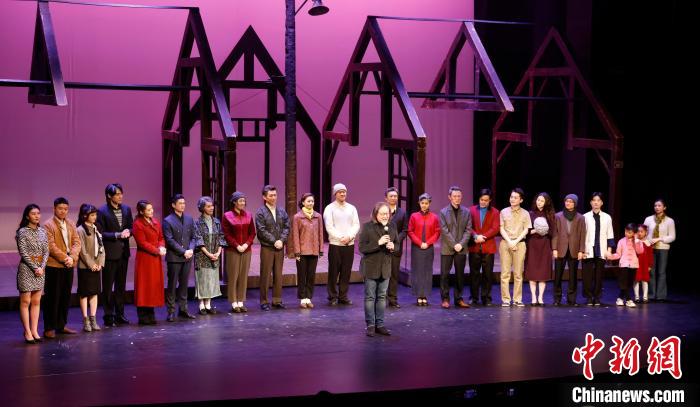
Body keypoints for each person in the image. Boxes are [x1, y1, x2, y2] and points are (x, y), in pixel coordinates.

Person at [42, 197, 81, 338]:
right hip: (54, 266)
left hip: (68, 265)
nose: (63, 211)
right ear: (54, 209)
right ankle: (49, 327)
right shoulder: (48, 225)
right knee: (52, 297)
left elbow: (77, 242)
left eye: (65, 209)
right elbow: (51, 246)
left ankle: (61, 325)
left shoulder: (71, 223)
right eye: (60, 208)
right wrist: (66, 258)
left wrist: (73, 257)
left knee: (65, 296)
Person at [96, 183, 133, 327]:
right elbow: (100, 233)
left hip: (123, 253)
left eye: (121, 193)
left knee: (120, 286)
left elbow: (131, 227)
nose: (120, 196)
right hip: (110, 253)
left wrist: (129, 232)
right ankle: (108, 315)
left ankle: (120, 314)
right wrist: (117, 235)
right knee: (107, 286)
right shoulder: (102, 211)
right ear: (109, 195)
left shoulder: (126, 209)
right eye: (117, 194)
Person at [359, 202, 398, 337]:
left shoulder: (392, 227)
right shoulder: (367, 227)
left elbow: (397, 244)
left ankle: (380, 324)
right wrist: (378, 243)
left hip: (385, 267)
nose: (385, 216)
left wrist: (393, 246)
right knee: (370, 297)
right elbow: (362, 248)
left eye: (387, 213)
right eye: (382, 214)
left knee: (381, 297)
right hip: (371, 267)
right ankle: (370, 325)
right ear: (376, 214)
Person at [163, 194, 198, 321]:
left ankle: (183, 309)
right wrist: (184, 251)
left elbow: (194, 237)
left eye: (184, 203)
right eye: (180, 203)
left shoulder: (189, 218)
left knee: (184, 284)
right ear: (173, 205)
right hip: (174, 257)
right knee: (172, 285)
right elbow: (169, 240)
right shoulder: (168, 220)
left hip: (187, 256)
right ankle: (171, 311)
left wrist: (191, 249)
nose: (183, 205)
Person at [323, 183, 360, 306]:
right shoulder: (329, 208)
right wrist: (341, 237)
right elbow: (329, 226)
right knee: (333, 272)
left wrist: (349, 236)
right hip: (335, 245)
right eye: (340, 192)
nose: (343, 194)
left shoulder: (352, 208)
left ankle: (343, 296)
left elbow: (356, 225)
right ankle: (332, 296)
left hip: (349, 244)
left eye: (344, 191)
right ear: (335, 194)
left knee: (346, 271)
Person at [16, 204, 48, 344]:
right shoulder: (22, 232)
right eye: (33, 213)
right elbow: (23, 252)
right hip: (27, 269)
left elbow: (46, 251)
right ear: (27, 216)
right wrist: (35, 267)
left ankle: (34, 330)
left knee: (36, 301)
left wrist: (42, 267)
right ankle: (27, 331)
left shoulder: (42, 231)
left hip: (40, 269)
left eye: (38, 213)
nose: (36, 216)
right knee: (25, 301)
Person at [255, 185, 290, 311]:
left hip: (279, 246)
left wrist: (281, 240)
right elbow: (261, 230)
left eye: (275, 195)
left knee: (278, 274)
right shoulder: (260, 212)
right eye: (271, 195)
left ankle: (277, 300)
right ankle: (264, 301)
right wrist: (274, 241)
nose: (274, 197)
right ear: (264, 197)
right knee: (265, 274)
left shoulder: (281, 211)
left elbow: (287, 226)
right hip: (267, 247)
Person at [132, 200, 166, 325]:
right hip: (145, 259)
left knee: (153, 285)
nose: (152, 211)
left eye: (152, 209)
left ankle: (151, 313)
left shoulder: (155, 222)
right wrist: (157, 250)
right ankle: (142, 315)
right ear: (141, 212)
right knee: (144, 286)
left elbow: (161, 238)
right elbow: (142, 243)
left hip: (155, 259)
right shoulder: (138, 224)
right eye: (148, 210)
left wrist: (161, 246)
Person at [438, 186, 473, 309]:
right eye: (454, 196)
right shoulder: (443, 212)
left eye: (459, 196)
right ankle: (445, 299)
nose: (457, 198)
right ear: (450, 197)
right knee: (445, 275)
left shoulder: (466, 212)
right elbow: (444, 231)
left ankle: (458, 298)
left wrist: (461, 244)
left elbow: (468, 230)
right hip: (447, 248)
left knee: (460, 275)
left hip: (461, 248)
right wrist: (454, 244)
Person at [289, 193, 324, 309]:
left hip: (314, 250)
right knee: (302, 275)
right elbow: (295, 235)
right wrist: (297, 252)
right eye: (308, 201)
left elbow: (320, 233)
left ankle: (309, 298)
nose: (311, 203)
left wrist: (321, 249)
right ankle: (303, 299)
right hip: (302, 251)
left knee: (311, 275)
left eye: (312, 201)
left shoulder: (318, 216)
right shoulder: (297, 217)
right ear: (303, 202)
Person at [222, 192, 255, 313]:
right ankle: (233, 301)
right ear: (234, 202)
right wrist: (236, 245)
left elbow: (252, 233)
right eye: (240, 201)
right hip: (233, 250)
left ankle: (241, 301)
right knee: (233, 276)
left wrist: (246, 244)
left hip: (246, 250)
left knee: (243, 276)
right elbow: (226, 234)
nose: (242, 203)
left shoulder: (249, 215)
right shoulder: (227, 216)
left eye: (244, 201)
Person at [194, 196, 227, 315]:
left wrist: (218, 252)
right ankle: (201, 305)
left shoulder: (216, 222)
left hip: (214, 254)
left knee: (211, 279)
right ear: (202, 208)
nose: (211, 208)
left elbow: (221, 237)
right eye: (208, 206)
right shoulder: (197, 222)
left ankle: (208, 304)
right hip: (202, 256)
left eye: (212, 205)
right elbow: (198, 239)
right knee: (202, 279)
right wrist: (208, 254)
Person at [552, 194, 586, 306]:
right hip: (560, 248)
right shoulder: (558, 216)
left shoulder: (580, 218)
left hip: (574, 249)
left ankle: (571, 300)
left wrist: (581, 250)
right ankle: (557, 299)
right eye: (567, 201)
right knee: (558, 276)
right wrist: (554, 248)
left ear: (575, 203)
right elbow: (555, 233)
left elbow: (582, 235)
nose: (568, 203)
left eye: (571, 201)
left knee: (573, 277)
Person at [499, 188, 531, 307]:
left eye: (515, 197)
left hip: (520, 244)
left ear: (521, 200)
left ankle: (517, 299)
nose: (512, 199)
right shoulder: (503, 212)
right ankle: (506, 299)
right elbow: (501, 228)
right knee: (505, 273)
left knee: (518, 274)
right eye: (511, 197)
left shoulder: (525, 213)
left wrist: (516, 241)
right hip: (506, 243)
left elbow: (526, 230)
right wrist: (509, 242)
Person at [467, 188, 500, 306]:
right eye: (481, 199)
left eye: (486, 200)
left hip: (488, 247)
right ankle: (474, 297)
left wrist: (483, 237)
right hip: (474, 246)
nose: (483, 202)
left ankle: (486, 297)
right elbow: (468, 226)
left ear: (490, 200)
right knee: (474, 274)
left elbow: (495, 228)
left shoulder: (495, 212)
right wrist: (475, 236)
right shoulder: (471, 210)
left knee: (487, 274)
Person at [76, 204, 105, 332]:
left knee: (94, 292)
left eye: (95, 215)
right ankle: (85, 319)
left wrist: (100, 263)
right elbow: (82, 251)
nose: (95, 217)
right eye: (92, 215)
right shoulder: (80, 230)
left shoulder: (96, 228)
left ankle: (93, 318)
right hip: (85, 267)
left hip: (96, 266)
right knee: (84, 293)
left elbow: (101, 247)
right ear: (84, 216)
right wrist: (91, 264)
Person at [407, 193, 440, 306]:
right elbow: (410, 231)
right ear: (419, 203)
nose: (424, 205)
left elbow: (437, 232)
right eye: (422, 203)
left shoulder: (434, 217)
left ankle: (424, 295)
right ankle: (418, 295)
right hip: (417, 247)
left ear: (429, 203)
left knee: (427, 270)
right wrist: (420, 243)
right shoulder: (414, 216)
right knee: (418, 270)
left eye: (426, 203)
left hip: (428, 247)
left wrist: (428, 243)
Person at [582, 192, 615, 306]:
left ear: (602, 203)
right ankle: (588, 297)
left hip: (601, 249)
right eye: (594, 200)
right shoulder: (585, 217)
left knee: (599, 276)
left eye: (598, 200)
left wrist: (609, 250)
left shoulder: (607, 217)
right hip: (588, 249)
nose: (596, 202)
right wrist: (582, 250)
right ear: (591, 202)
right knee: (587, 276)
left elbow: (610, 234)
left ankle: (597, 297)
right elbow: (582, 235)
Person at [524, 192, 555, 306]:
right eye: (538, 200)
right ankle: (533, 297)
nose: (539, 202)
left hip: (545, 245)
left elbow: (552, 231)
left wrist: (544, 229)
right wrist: (535, 230)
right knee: (532, 272)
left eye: (542, 201)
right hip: (532, 244)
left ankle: (540, 297)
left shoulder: (550, 215)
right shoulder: (530, 214)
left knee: (542, 273)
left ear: (546, 202)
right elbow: (526, 231)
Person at [643, 199, 676, 302]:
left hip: (663, 248)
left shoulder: (670, 221)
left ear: (664, 207)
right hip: (650, 248)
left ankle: (661, 296)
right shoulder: (648, 219)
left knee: (661, 272)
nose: (657, 207)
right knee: (651, 271)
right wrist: (646, 242)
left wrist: (659, 239)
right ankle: (651, 294)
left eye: (659, 205)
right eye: (655, 205)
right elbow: (643, 233)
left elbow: (672, 236)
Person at [607, 223, 644, 308]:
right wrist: (611, 256)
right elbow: (618, 254)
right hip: (624, 264)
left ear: (634, 233)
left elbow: (640, 251)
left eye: (629, 232)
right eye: (626, 231)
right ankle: (628, 300)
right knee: (624, 283)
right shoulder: (621, 241)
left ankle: (620, 298)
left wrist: (637, 241)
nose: (627, 233)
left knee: (629, 283)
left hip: (634, 264)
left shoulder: (638, 241)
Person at [385, 187, 408, 308]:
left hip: (396, 248)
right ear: (386, 198)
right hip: (383, 248)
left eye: (395, 196)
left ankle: (392, 299)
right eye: (391, 196)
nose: (393, 198)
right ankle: (381, 298)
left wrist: (395, 241)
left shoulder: (402, 213)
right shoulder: (382, 211)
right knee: (382, 274)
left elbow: (405, 230)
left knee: (394, 275)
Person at [634, 224, 654, 303]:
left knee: (644, 280)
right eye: (638, 231)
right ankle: (637, 297)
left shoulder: (648, 243)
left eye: (641, 231)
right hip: (636, 264)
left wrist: (650, 265)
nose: (639, 233)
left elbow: (650, 256)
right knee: (636, 280)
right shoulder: (635, 242)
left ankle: (645, 297)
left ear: (646, 233)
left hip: (644, 265)